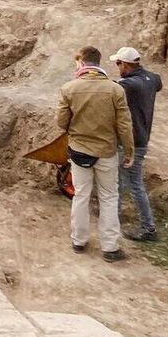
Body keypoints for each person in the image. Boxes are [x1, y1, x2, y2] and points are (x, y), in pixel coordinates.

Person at [57, 46, 135, 263]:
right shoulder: (115, 90)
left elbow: (61, 123)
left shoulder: (69, 89)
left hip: (80, 151)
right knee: (109, 197)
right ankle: (110, 247)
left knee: (81, 195)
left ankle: (79, 241)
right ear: (99, 63)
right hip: (106, 152)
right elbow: (124, 125)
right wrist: (129, 150)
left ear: (82, 62)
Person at [110, 47, 163, 242]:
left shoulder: (129, 84)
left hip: (132, 141)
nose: (117, 68)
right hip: (142, 137)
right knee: (126, 182)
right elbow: (158, 82)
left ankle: (147, 228)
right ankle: (113, 218)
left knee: (130, 183)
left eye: (118, 64)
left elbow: (109, 89)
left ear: (125, 64)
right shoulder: (152, 79)